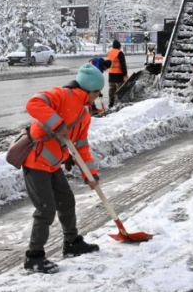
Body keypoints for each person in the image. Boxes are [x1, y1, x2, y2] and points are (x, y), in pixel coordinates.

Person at [22, 64, 104, 273]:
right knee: (46, 209)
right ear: (90, 91)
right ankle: (34, 256)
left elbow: (82, 146)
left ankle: (72, 244)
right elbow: (34, 103)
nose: (98, 97)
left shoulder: (84, 115)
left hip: (52, 164)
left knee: (66, 201)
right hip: (36, 161)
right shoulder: (62, 95)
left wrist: (90, 173)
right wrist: (57, 123)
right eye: (98, 93)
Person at [107, 40, 128, 108]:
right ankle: (118, 104)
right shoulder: (119, 53)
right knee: (119, 90)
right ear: (119, 46)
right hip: (118, 75)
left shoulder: (109, 52)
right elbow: (123, 65)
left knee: (111, 89)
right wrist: (125, 75)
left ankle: (111, 103)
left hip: (111, 75)